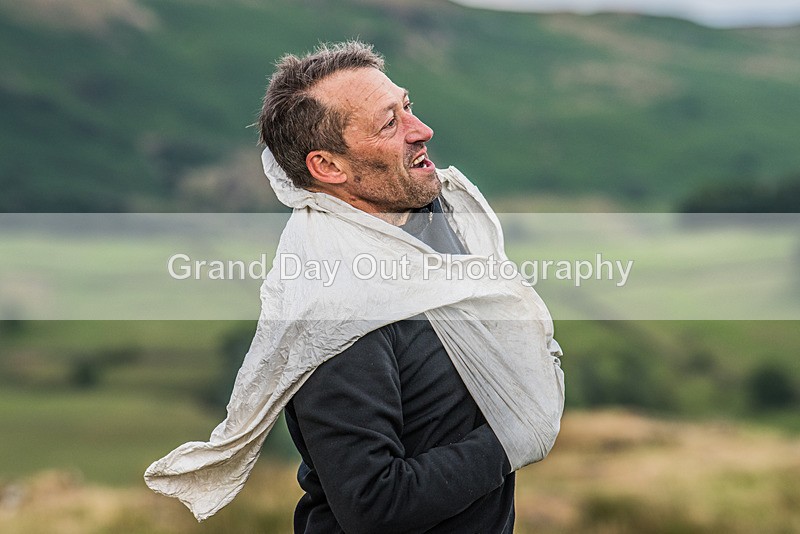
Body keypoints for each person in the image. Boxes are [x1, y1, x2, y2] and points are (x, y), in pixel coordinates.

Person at [144, 40, 563, 533]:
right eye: (389, 124)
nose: (421, 130)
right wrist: (516, 436)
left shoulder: (431, 224)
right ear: (328, 167)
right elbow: (375, 505)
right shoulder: (336, 312)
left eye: (407, 106)